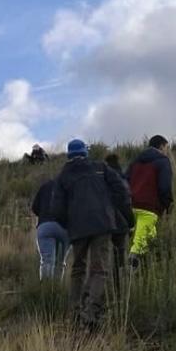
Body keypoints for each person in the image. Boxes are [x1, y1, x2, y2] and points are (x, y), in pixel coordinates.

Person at [47, 138, 134, 331]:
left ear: (69, 155)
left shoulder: (63, 176)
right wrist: (126, 217)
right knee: (99, 269)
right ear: (85, 153)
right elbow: (121, 191)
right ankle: (90, 312)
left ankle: (75, 311)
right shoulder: (100, 168)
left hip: (77, 229)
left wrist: (69, 223)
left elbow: (56, 209)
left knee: (78, 268)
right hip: (102, 224)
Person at [126, 135, 173, 268]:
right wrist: (167, 205)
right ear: (161, 146)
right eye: (166, 147)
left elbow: (124, 180)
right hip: (149, 208)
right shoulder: (163, 161)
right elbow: (164, 187)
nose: (167, 151)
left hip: (131, 206)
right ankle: (130, 276)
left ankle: (148, 270)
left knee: (151, 237)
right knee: (139, 245)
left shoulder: (135, 161)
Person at [30, 177, 69, 280]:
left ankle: (45, 290)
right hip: (64, 227)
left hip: (45, 226)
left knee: (47, 261)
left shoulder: (45, 186)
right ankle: (57, 289)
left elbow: (35, 209)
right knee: (60, 263)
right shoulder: (69, 187)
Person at [104, 153, 132, 293]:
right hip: (121, 223)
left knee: (103, 256)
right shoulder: (122, 179)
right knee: (120, 255)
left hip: (104, 223)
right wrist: (131, 222)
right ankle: (119, 289)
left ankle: (106, 288)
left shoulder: (102, 180)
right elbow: (126, 202)